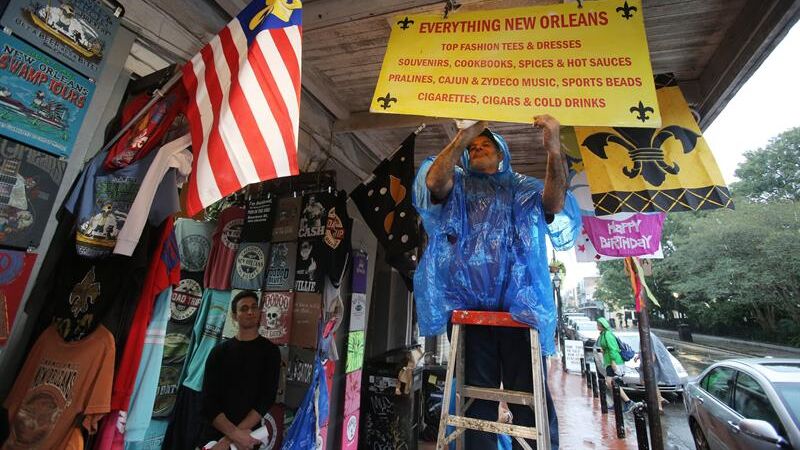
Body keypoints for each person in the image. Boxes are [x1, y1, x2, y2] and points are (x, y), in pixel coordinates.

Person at [414, 117, 581, 449]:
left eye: (485, 145)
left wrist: (553, 150)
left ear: (502, 153)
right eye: (473, 147)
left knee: (529, 398)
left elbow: (554, 203)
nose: (477, 149)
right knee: (476, 402)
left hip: (519, 312)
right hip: (471, 314)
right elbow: (434, 182)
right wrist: (463, 136)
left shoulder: (522, 188)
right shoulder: (457, 187)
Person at [199, 291, 281, 449]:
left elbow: (266, 399)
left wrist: (229, 441)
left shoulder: (270, 352)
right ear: (234, 316)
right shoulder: (219, 352)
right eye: (244, 308)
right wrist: (234, 435)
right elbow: (208, 402)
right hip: (214, 438)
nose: (250, 312)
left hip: (247, 438)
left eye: (254, 307)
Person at [595, 317, 636, 412]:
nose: (597, 326)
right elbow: (606, 347)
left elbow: (613, 348)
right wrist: (603, 350)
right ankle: (617, 402)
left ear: (602, 325)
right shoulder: (603, 334)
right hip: (608, 361)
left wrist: (613, 361)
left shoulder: (608, 334)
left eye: (598, 325)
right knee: (610, 383)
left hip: (614, 361)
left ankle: (628, 402)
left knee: (610, 382)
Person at [633, 332, 680, 413]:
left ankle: (659, 406)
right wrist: (639, 356)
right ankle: (660, 400)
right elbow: (644, 349)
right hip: (647, 365)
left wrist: (647, 366)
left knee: (651, 385)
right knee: (650, 384)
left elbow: (652, 355)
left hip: (650, 367)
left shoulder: (648, 336)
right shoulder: (645, 335)